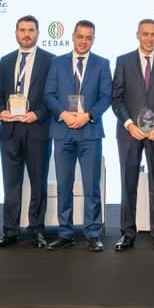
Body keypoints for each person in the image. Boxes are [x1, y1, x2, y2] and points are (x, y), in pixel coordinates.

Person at [110, 18, 154, 250]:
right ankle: (127, 233)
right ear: (138, 34)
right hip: (130, 133)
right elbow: (116, 98)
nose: (150, 38)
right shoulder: (123, 61)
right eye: (146, 34)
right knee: (128, 182)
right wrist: (129, 124)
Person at [44, 20, 112, 251]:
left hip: (90, 132)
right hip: (63, 131)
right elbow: (49, 94)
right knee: (64, 185)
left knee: (92, 186)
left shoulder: (102, 64)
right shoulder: (57, 63)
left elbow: (106, 97)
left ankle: (92, 233)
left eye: (88, 37)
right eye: (80, 36)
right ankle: (66, 233)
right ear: (73, 36)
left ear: (93, 39)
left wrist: (88, 115)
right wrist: (63, 114)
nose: (84, 41)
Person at [0, 15, 54, 248]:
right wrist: (0, 110)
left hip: (37, 129)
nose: (26, 34)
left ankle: (36, 229)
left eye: (31, 30)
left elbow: (53, 95)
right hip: (10, 130)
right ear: (16, 33)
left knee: (38, 183)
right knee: (10, 183)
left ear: (37, 33)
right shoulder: (6, 60)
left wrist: (38, 113)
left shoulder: (50, 60)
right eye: (22, 30)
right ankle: (10, 230)